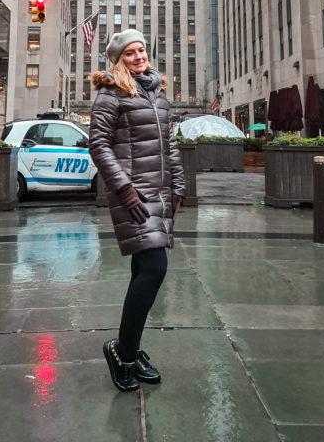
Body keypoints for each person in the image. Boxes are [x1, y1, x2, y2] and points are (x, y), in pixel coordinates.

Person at [89, 29, 185, 392]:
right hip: (134, 194)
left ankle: (130, 348)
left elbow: (169, 146)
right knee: (155, 267)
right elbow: (98, 145)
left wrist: (178, 187)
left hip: (160, 194)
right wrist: (125, 190)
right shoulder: (111, 94)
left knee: (143, 269)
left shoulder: (157, 95)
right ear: (118, 60)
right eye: (129, 52)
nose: (138, 56)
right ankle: (123, 353)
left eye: (141, 49)